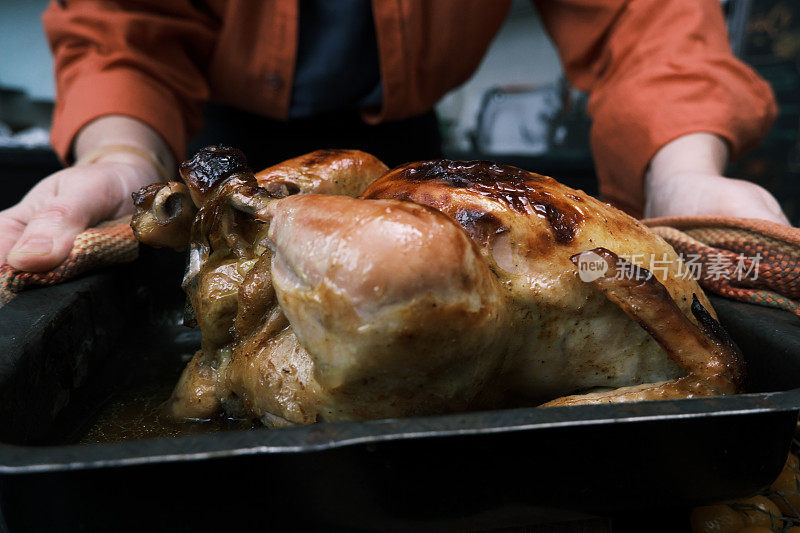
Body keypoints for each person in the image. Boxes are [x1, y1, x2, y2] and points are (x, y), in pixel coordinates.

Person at [0, 0, 790, 273]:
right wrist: (119, 158)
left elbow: (639, 17)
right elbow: (126, 31)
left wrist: (685, 170)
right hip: (207, 155)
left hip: (408, 156)